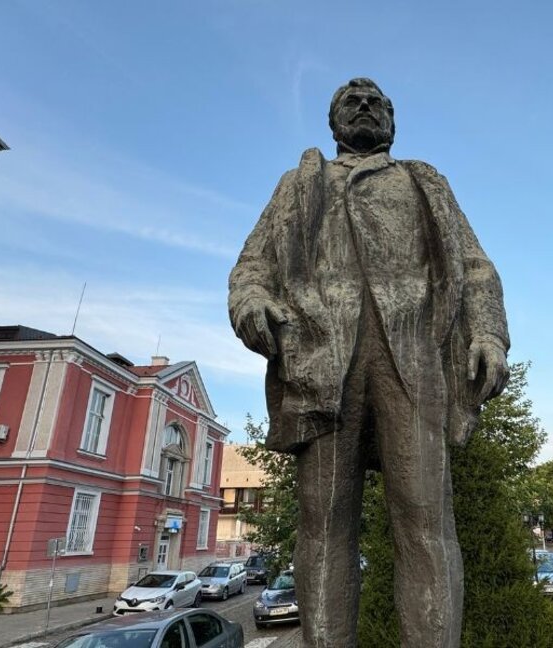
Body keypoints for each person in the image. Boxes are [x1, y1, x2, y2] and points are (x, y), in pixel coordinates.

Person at [228, 78, 509, 648]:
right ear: (332, 123)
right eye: (350, 102)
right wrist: (253, 304)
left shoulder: (422, 181)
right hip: (319, 361)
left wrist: (489, 334)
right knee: (325, 525)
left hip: (413, 359)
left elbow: (476, 266)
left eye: (374, 101)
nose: (363, 107)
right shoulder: (298, 186)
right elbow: (250, 269)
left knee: (426, 523)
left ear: (391, 120)